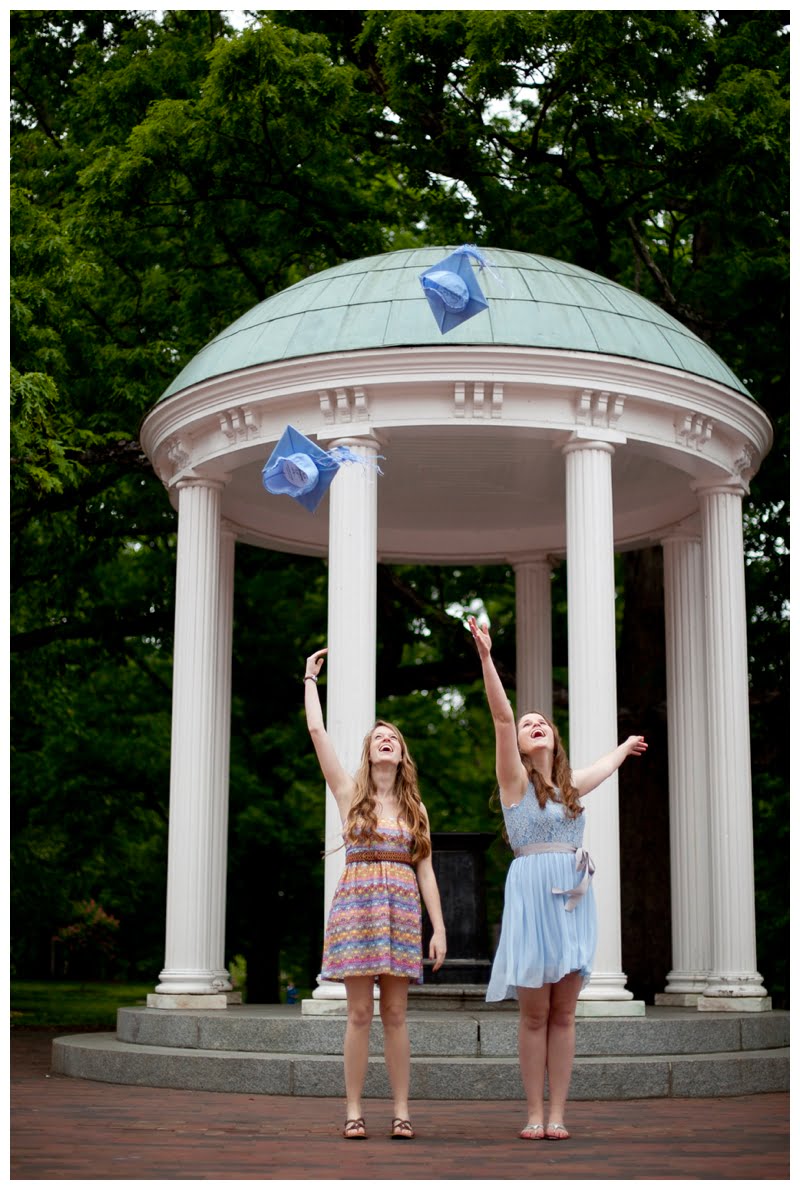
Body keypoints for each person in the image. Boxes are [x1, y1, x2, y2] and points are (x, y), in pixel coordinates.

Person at [468, 615, 647, 1142]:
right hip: (531, 898)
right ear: (521, 745)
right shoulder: (514, 781)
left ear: (553, 737)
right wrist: (486, 657)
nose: (534, 724)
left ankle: (558, 1114)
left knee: (565, 1013)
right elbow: (502, 718)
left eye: (541, 721)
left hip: (571, 899)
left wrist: (624, 747)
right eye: (529, 724)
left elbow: (605, 768)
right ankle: (532, 1112)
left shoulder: (570, 787)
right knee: (534, 1015)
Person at [304, 646, 447, 1141]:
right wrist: (310, 681)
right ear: (369, 753)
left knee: (396, 1014)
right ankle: (353, 1109)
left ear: (402, 755)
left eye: (394, 739)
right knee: (360, 1013)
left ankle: (402, 1111)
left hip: (402, 912)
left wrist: (439, 928)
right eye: (378, 738)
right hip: (357, 909)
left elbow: (426, 871)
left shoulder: (416, 809)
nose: (386, 741)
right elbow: (318, 733)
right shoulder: (349, 794)